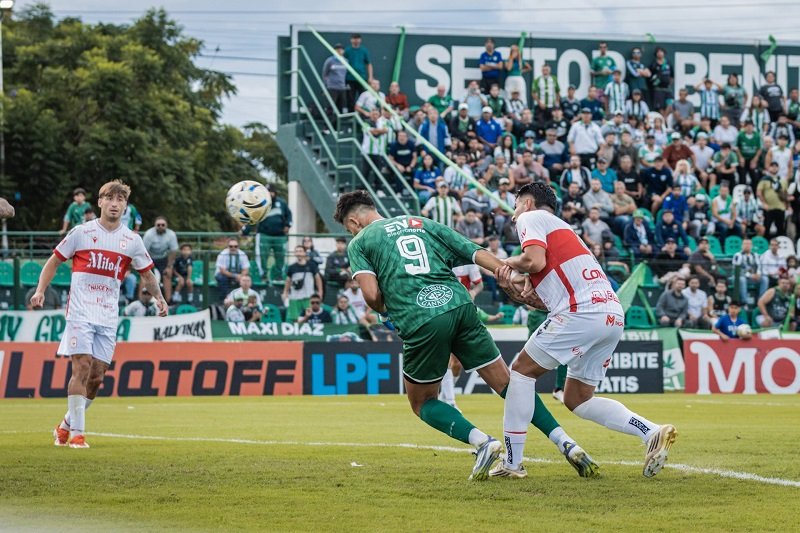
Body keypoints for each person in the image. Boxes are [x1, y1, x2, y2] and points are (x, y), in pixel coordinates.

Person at [335, 189, 599, 480]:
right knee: (510, 385)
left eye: (348, 228)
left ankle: (482, 442)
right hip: (461, 307)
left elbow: (371, 296)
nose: (350, 233)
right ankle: (566, 442)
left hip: (421, 318)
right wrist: (514, 277)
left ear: (353, 222)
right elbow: (475, 252)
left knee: (422, 402)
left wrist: (390, 308)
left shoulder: (360, 242)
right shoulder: (421, 222)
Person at [493, 182, 676, 479]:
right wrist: (513, 287)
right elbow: (541, 299)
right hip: (610, 315)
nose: (514, 216)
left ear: (527, 204)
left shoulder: (531, 219)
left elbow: (532, 260)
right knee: (577, 399)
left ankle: (512, 464)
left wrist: (499, 262)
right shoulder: (564, 231)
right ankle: (652, 432)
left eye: (515, 207)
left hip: (583, 312)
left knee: (521, 372)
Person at [32, 180, 166, 449]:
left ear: (125, 206)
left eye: (120, 199)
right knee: (80, 368)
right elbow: (54, 261)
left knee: (96, 378)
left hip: (107, 316)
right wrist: (40, 290)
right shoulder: (81, 233)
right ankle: (78, 435)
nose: (115, 203)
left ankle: (65, 425)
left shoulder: (132, 240)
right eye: (110, 198)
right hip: (80, 313)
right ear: (100, 202)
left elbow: (147, 274)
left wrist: (160, 298)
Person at [243, 184, 292, 283]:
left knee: (280, 257)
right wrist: (245, 230)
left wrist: (288, 225)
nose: (269, 194)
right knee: (262, 256)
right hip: (264, 235)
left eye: (271, 192)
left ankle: (278, 276)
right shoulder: (259, 204)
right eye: (267, 192)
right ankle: (263, 276)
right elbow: (253, 218)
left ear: (275, 193)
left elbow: (289, 215)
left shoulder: (282, 203)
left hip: (280, 236)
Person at [142, 216, 179, 303]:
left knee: (167, 275)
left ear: (166, 225)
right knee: (145, 277)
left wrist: (169, 266)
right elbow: (144, 251)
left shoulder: (171, 234)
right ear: (155, 225)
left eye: (163, 225)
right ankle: (143, 300)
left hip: (163, 258)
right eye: (158, 225)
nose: (160, 226)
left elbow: (173, 251)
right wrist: (146, 267)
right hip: (150, 258)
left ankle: (168, 301)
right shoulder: (149, 234)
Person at [283, 245, 323, 322]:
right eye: (297, 251)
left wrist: (320, 292)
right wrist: (285, 292)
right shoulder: (291, 267)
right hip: (294, 298)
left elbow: (318, 279)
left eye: (300, 251)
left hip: (308, 297)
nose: (299, 253)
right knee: (294, 319)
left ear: (305, 253)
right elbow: (288, 281)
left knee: (310, 318)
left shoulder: (312, 265)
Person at [756, 162, 788, 237]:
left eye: (776, 166)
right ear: (769, 168)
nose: (774, 168)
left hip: (780, 207)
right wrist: (764, 203)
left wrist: (787, 204)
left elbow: (785, 194)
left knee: (780, 229)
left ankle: (780, 246)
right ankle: (767, 247)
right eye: (772, 166)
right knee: (766, 228)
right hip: (768, 208)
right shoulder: (764, 179)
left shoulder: (782, 180)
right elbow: (759, 193)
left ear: (778, 168)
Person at [344, 33, 372, 110]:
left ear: (360, 40)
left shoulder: (364, 51)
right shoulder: (347, 51)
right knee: (350, 98)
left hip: (362, 78)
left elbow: (369, 64)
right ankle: (351, 115)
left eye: (357, 38)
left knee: (364, 97)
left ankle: (363, 115)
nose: (356, 40)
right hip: (350, 79)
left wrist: (370, 77)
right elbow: (343, 64)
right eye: (354, 38)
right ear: (351, 40)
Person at [732, 238, 761, 304]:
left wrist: (758, 274)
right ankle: (744, 302)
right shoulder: (737, 255)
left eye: (749, 244)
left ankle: (760, 300)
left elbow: (759, 266)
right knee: (742, 279)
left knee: (764, 279)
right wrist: (750, 275)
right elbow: (737, 270)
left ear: (752, 246)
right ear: (741, 245)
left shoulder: (755, 255)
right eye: (745, 244)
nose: (747, 245)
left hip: (752, 278)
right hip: (739, 277)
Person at [322, 43, 348, 115]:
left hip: (342, 87)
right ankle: (328, 125)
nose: (339, 51)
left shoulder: (345, 61)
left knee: (341, 107)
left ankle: (338, 124)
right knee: (330, 107)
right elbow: (325, 74)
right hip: (332, 87)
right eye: (337, 50)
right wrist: (325, 86)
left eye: (340, 50)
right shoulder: (329, 61)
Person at [504, 43, 531, 108]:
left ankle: (523, 108)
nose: (515, 52)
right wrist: (512, 58)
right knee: (509, 94)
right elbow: (508, 68)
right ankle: (509, 108)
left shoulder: (521, 61)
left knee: (521, 93)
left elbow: (529, 68)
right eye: (513, 51)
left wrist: (522, 71)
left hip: (519, 78)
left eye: (516, 51)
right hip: (510, 78)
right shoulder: (507, 60)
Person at [648, 47, 673, 113]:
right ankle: (662, 120)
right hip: (658, 89)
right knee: (660, 107)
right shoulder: (653, 64)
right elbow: (650, 77)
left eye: (661, 52)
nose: (660, 53)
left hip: (667, 89)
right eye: (658, 52)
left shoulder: (668, 63)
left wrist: (668, 84)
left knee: (670, 103)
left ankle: (664, 119)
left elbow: (672, 76)